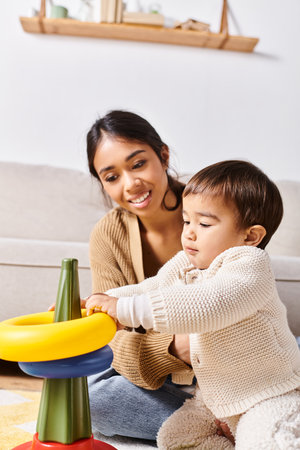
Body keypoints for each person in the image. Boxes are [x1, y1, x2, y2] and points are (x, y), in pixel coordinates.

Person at [86, 160, 300, 449]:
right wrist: (100, 303)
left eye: (204, 224)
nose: (189, 232)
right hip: (214, 396)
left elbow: (205, 304)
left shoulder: (250, 266)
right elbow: (152, 286)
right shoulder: (187, 262)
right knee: (176, 438)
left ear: (250, 236)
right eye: (187, 221)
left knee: (266, 440)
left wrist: (126, 311)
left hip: (266, 392)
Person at [84, 110, 232, 444]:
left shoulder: (215, 205)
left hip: (234, 357)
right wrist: (176, 347)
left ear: (163, 155)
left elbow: (245, 286)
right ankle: (237, 426)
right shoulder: (108, 234)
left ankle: (230, 423)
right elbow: (111, 337)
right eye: (112, 177)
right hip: (161, 378)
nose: (131, 184)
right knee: (93, 401)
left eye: (138, 164)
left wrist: (203, 343)